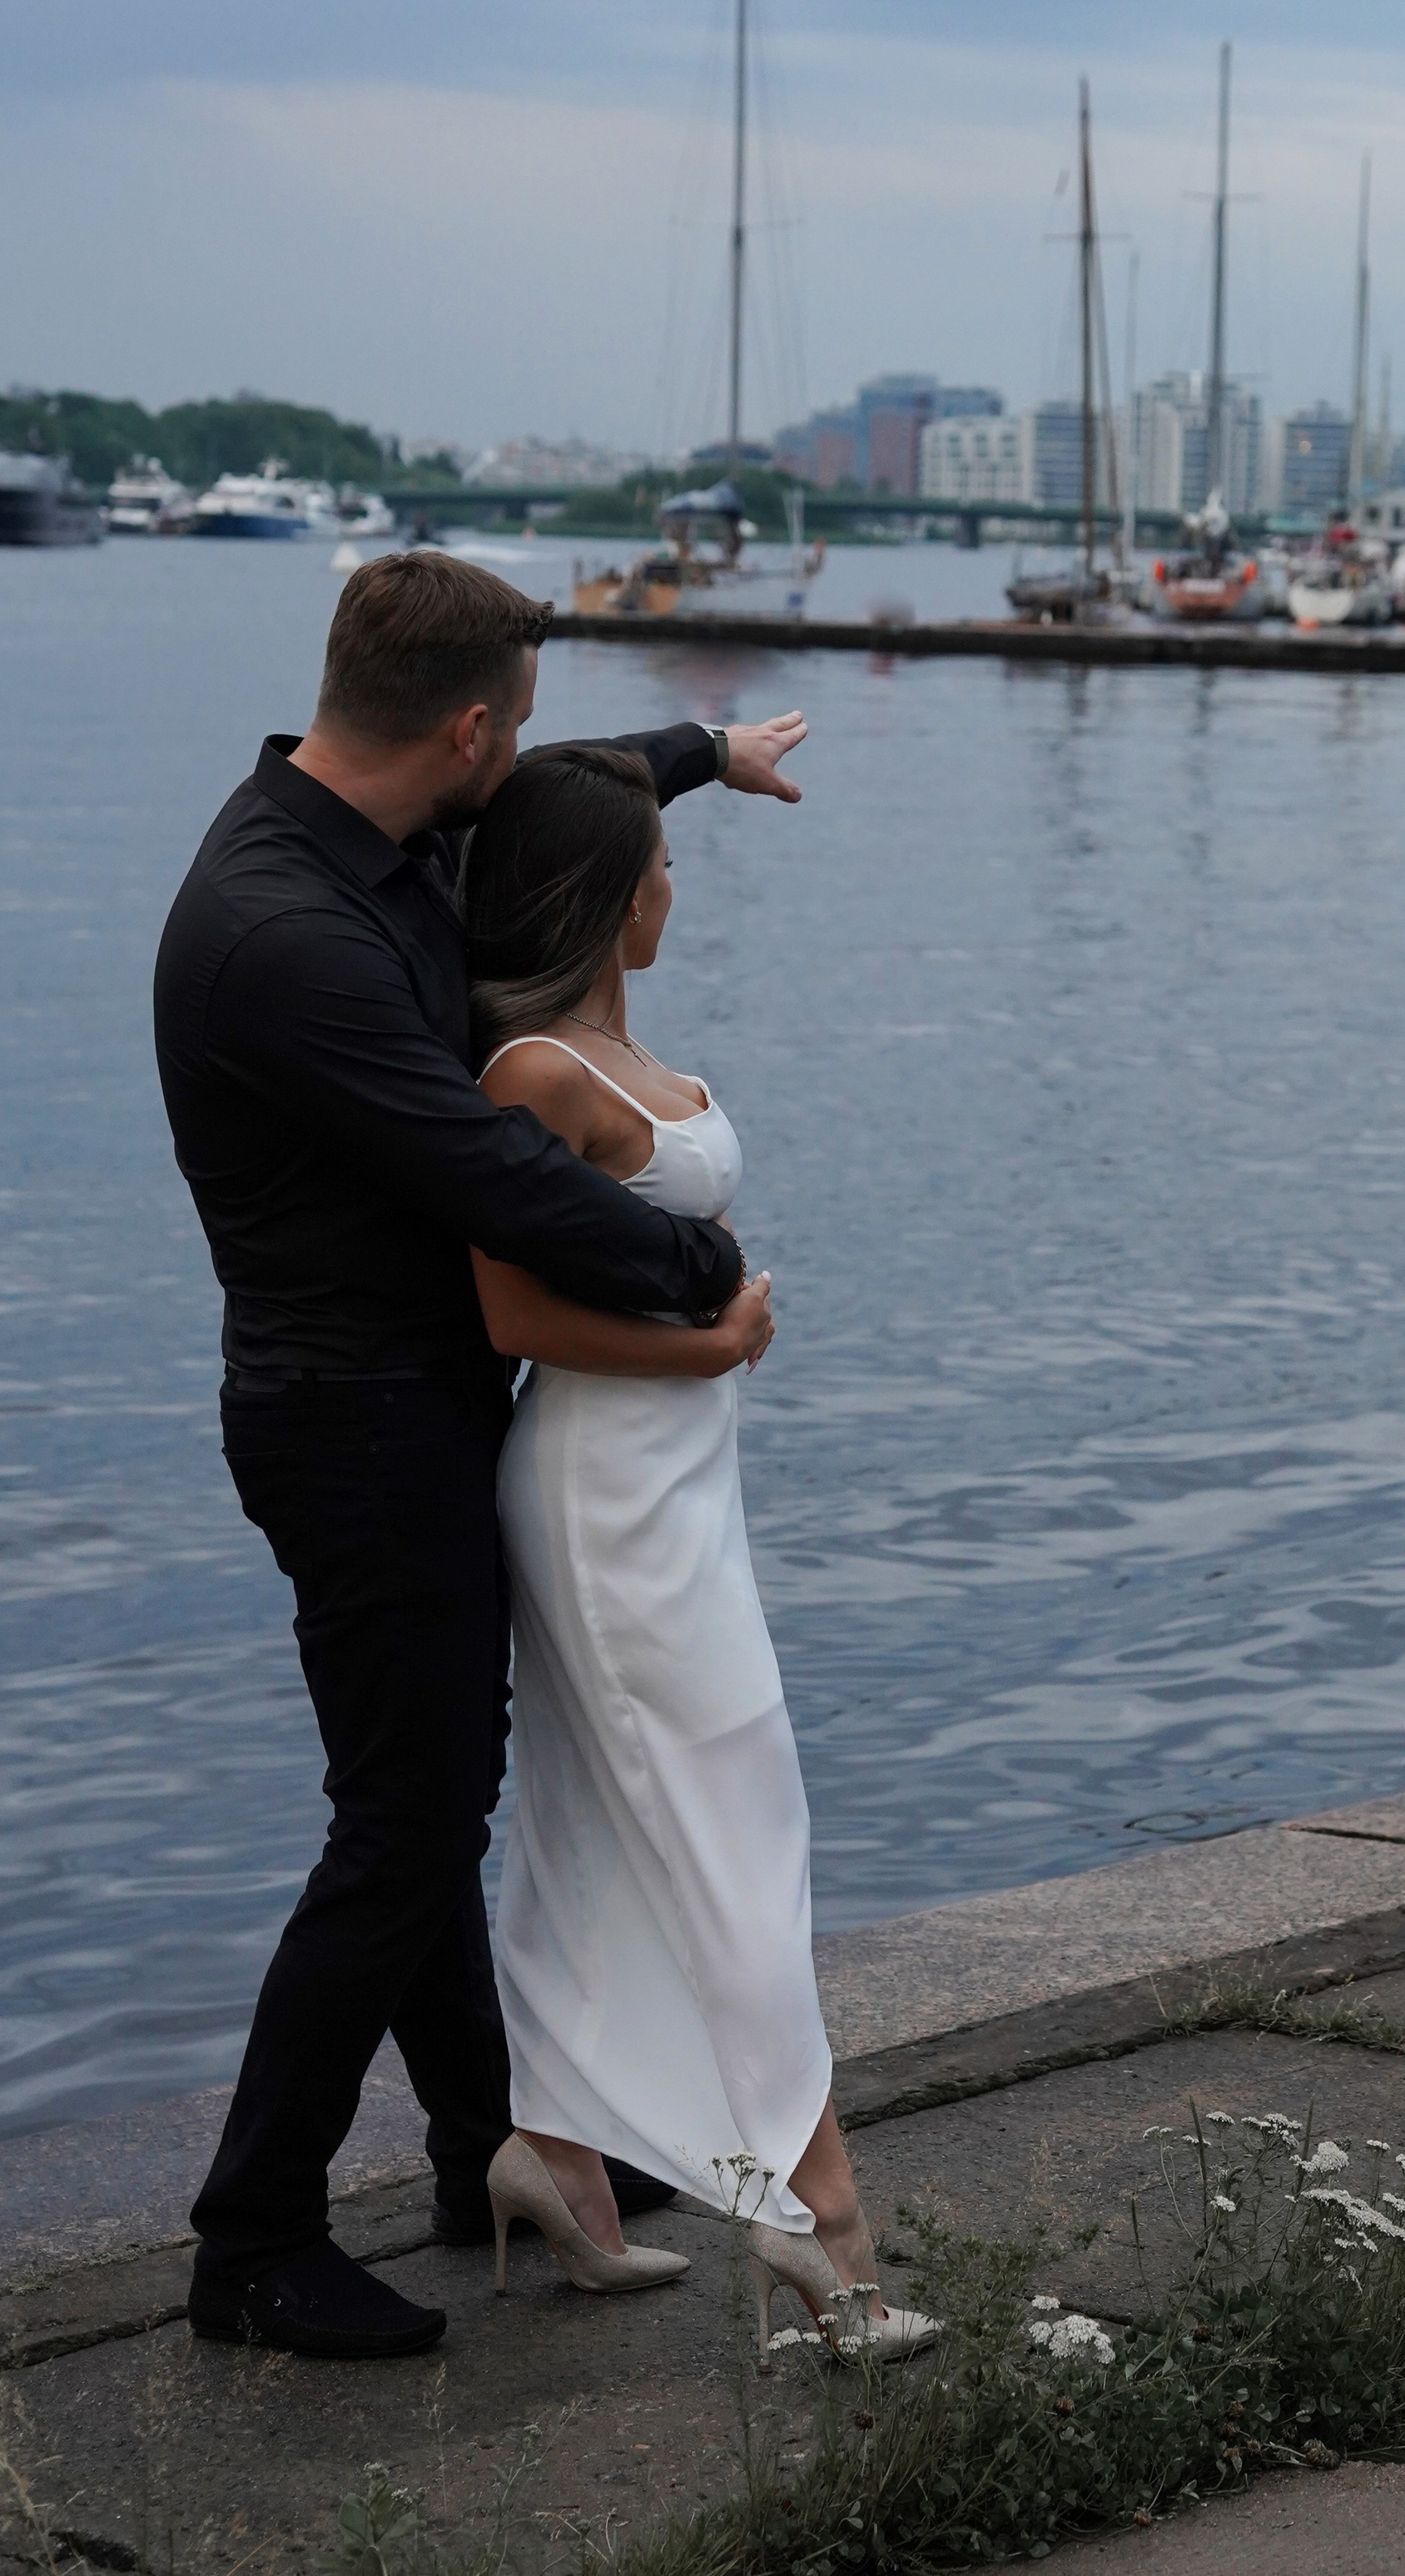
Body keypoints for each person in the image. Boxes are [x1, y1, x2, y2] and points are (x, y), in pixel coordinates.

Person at [152, 548, 806, 2359]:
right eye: (499, 732)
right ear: (455, 725)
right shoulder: (283, 934)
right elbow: (485, 1168)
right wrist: (701, 1273)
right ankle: (254, 2233)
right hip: (348, 1423)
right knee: (405, 1821)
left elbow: (540, 783)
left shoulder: (377, 821)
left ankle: (486, 2152)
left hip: (415, 1404)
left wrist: (690, 752)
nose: (507, 765)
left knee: (428, 1798)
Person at [461, 746, 934, 2360]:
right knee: (738, 1826)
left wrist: (704, 758)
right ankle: (828, 2233)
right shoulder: (530, 1069)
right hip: (601, 1492)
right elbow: (511, 1315)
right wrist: (718, 1344)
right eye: (658, 862)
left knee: (597, 1824)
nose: (675, 886)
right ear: (600, 892)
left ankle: (554, 2156)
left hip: (679, 1487)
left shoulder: (609, 1045)